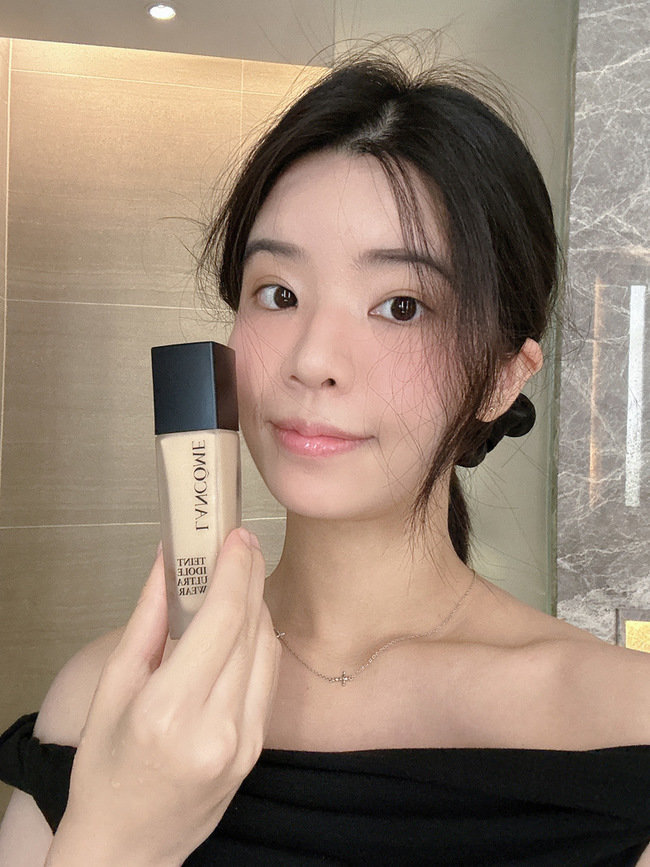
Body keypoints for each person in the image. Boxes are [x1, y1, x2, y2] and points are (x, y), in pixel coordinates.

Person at [1, 45, 649, 866]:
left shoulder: (623, 727)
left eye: (401, 305)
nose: (312, 359)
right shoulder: (104, 700)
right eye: (279, 294)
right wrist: (116, 834)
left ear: (500, 377)